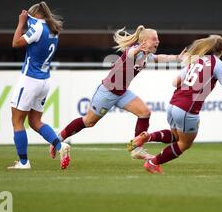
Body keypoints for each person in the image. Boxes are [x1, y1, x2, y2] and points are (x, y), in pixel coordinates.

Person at [127, 35, 222, 174]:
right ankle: (153, 163)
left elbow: (175, 83)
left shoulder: (195, 61)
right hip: (188, 108)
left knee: (176, 136)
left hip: (173, 104)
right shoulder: (217, 64)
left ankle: (148, 137)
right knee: (184, 144)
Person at [49, 25, 186, 158]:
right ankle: (57, 140)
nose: (158, 41)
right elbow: (131, 54)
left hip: (122, 93)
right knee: (89, 122)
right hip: (107, 92)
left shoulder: (146, 55)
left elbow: (160, 58)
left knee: (144, 113)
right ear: (144, 41)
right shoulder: (133, 51)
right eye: (155, 39)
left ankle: (136, 149)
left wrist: (177, 58)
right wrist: (138, 48)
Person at [8, 1, 71, 170]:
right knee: (35, 121)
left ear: (35, 15)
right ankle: (60, 146)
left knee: (17, 121)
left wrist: (21, 23)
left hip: (30, 80)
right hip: (45, 81)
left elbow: (15, 43)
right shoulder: (53, 30)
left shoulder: (37, 29)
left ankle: (23, 162)